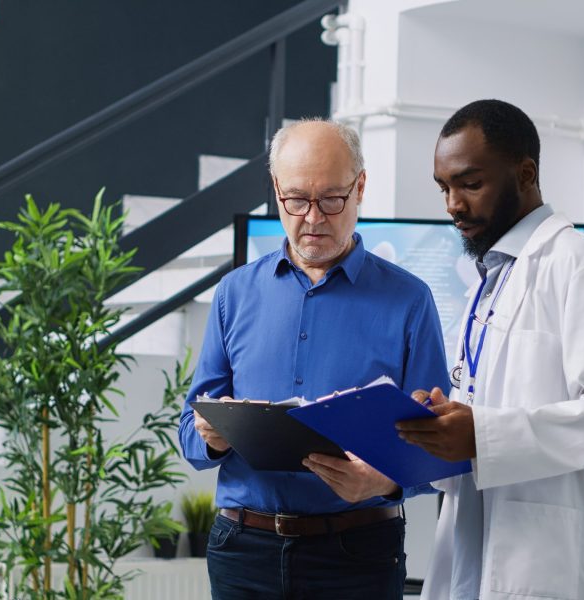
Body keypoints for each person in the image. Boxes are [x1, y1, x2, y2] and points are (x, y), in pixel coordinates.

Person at [178, 118, 450, 599]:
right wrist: (213, 438)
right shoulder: (234, 294)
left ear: (360, 186)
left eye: (331, 199)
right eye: (297, 200)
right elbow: (189, 432)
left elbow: (437, 446)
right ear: (277, 190)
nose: (313, 218)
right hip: (242, 551)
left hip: (357, 554)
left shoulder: (410, 300)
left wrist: (381, 481)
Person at [396, 100, 584, 600]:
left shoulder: (578, 264)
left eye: (470, 184)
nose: (453, 204)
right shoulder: (489, 282)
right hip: (476, 538)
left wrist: (483, 435)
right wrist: (449, 422)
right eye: (444, 188)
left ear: (526, 173)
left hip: (550, 555)